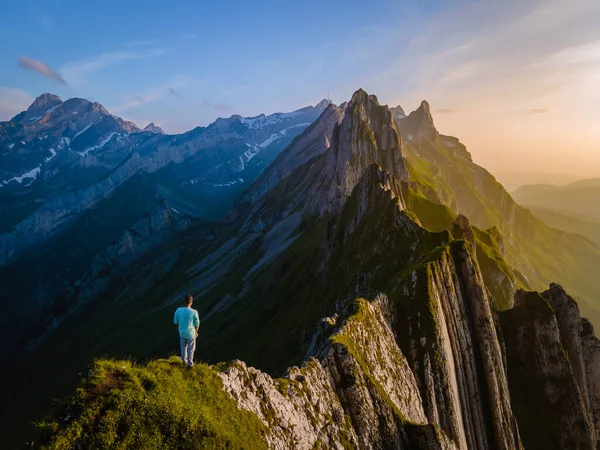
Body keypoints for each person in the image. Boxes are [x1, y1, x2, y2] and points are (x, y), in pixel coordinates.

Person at [174, 295, 200, 368]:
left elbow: (175, 322)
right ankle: (190, 364)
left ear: (184, 302)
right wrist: (196, 332)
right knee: (191, 349)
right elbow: (197, 324)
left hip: (182, 333)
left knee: (183, 347)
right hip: (191, 333)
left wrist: (180, 328)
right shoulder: (194, 312)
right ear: (191, 302)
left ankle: (184, 361)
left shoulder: (178, 310)